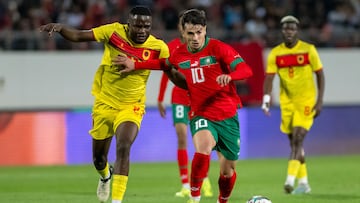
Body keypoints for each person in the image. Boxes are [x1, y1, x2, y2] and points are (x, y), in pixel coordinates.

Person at [112, 8, 253, 203]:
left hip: (228, 115)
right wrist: (135, 64)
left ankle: (223, 200)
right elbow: (163, 64)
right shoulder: (179, 53)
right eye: (190, 33)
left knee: (227, 171)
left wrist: (230, 76)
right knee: (202, 148)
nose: (195, 37)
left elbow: (246, 70)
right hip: (201, 113)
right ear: (183, 33)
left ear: (205, 30)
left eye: (198, 32)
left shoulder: (219, 48)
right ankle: (194, 198)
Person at [39, 6, 169, 203]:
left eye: (146, 26)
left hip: (132, 105)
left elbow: (170, 68)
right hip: (105, 104)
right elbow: (79, 36)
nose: (142, 30)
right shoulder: (113, 32)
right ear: (129, 24)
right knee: (99, 159)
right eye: (138, 26)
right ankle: (105, 176)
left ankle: (117, 201)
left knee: (124, 146)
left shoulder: (158, 47)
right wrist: (60, 27)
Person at [261, 15, 325, 195]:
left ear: (297, 31)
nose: (289, 31)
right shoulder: (276, 53)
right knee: (294, 143)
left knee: (298, 138)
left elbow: (320, 74)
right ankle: (304, 183)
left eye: (292, 29)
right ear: (282, 31)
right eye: (286, 28)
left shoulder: (308, 50)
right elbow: (269, 78)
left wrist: (319, 101)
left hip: (306, 101)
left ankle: (289, 181)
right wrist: (266, 100)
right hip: (287, 103)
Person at [157, 11, 213, 198]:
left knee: (202, 142)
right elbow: (167, 73)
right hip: (179, 97)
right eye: (184, 26)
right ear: (181, 28)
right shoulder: (172, 47)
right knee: (182, 137)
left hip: (199, 98)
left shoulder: (206, 45)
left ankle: (203, 178)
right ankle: (185, 184)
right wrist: (160, 98)